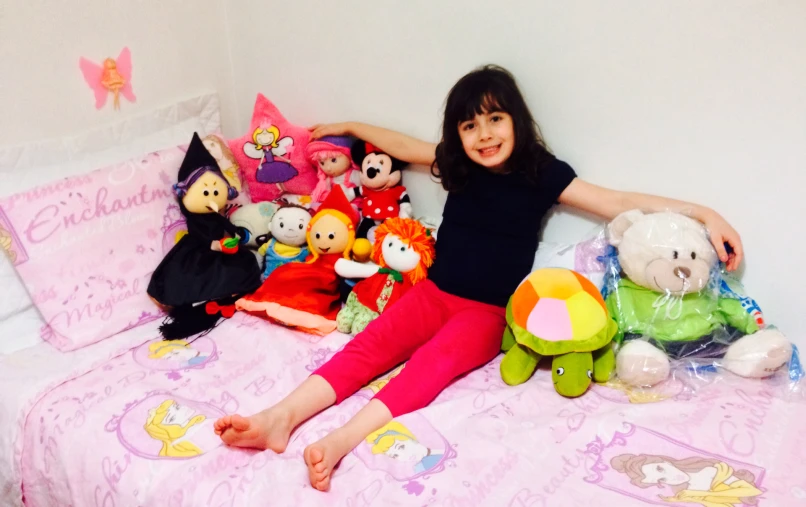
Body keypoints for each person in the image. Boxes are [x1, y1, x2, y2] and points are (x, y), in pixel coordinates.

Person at [213, 64, 743, 491]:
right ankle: (281, 415)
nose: (483, 134)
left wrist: (703, 214)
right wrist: (351, 127)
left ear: (516, 121)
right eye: (470, 125)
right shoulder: (455, 164)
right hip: (434, 293)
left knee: (427, 369)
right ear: (457, 135)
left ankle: (341, 441)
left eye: (494, 120)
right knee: (368, 347)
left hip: (487, 316)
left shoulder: (541, 173)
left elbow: (618, 202)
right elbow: (404, 146)